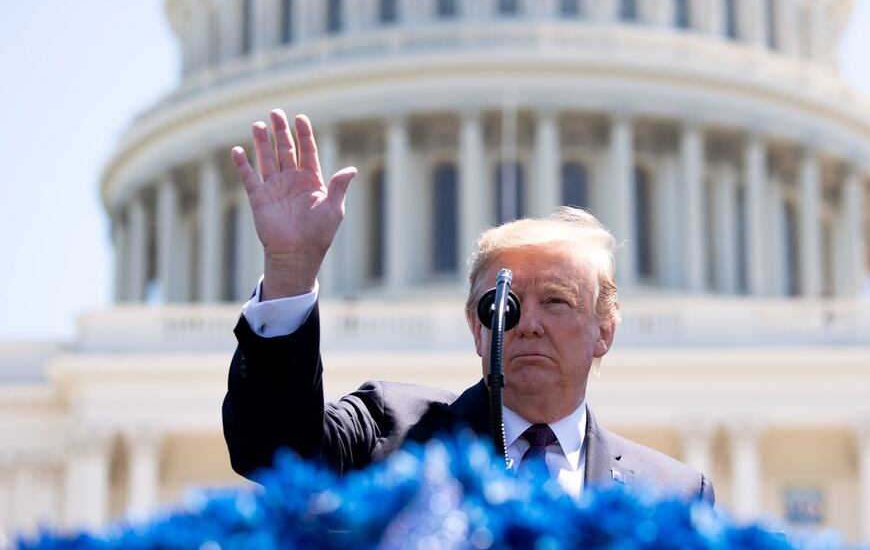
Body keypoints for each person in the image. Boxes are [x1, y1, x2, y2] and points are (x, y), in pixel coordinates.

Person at [222, 109, 714, 503]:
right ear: (477, 327)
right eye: (504, 304)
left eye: (557, 301)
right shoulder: (391, 433)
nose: (527, 324)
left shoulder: (671, 496)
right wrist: (290, 272)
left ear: (604, 329)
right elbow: (275, 451)